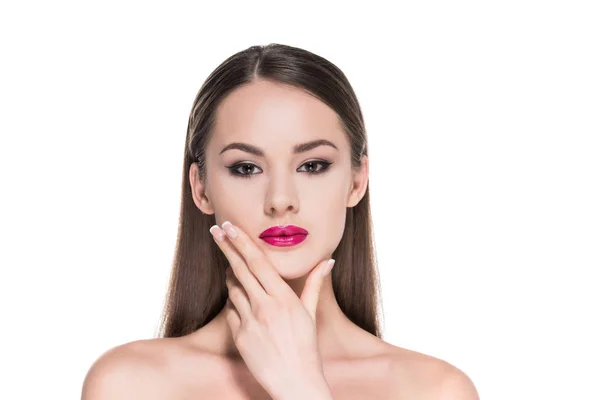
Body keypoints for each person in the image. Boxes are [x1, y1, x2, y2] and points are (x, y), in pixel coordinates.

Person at [81, 43, 479, 399]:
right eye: (246, 168)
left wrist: (301, 386)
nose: (281, 200)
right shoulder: (131, 384)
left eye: (312, 165)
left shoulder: (434, 390)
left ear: (357, 181)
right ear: (200, 189)